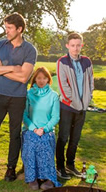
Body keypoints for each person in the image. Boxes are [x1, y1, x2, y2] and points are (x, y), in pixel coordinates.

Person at [0, 13, 37, 181]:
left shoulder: (30, 50)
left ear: (19, 29)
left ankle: (10, 169)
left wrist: (2, 69)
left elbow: (24, 78)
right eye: (5, 27)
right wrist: (14, 68)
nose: (5, 31)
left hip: (18, 98)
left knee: (14, 134)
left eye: (9, 28)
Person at [56, 33, 94, 180]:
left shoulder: (87, 62)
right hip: (67, 107)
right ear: (67, 46)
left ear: (81, 45)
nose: (75, 48)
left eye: (78, 45)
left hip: (82, 108)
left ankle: (70, 165)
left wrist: (87, 98)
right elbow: (62, 84)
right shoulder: (62, 62)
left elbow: (90, 82)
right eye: (73, 45)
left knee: (75, 138)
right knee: (63, 137)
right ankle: (60, 166)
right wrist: (74, 102)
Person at [22, 67, 61, 190]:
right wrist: (34, 129)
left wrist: (44, 129)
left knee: (44, 143)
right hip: (30, 129)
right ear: (34, 79)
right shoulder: (28, 94)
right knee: (32, 143)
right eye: (39, 78)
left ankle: (49, 178)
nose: (41, 81)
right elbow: (24, 115)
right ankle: (32, 178)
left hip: (47, 130)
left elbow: (55, 117)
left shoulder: (54, 96)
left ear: (48, 80)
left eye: (44, 78)